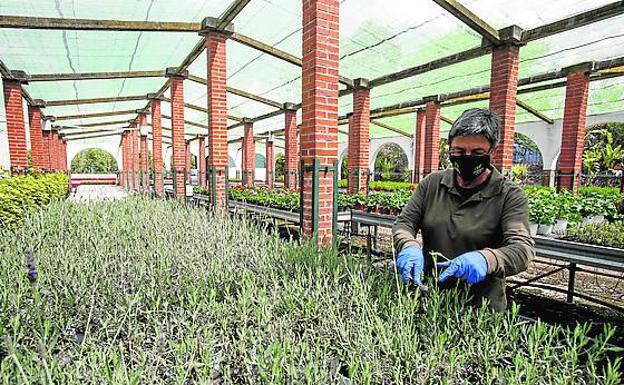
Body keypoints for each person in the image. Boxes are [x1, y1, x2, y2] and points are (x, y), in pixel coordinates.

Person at [392, 108, 535, 311]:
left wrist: (487, 259)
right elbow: (405, 223)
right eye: (459, 152)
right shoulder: (432, 184)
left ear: (492, 152)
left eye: (477, 153)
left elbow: (522, 249)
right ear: (449, 149)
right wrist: (408, 244)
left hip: (480, 309)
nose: (467, 158)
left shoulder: (509, 195)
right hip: (431, 299)